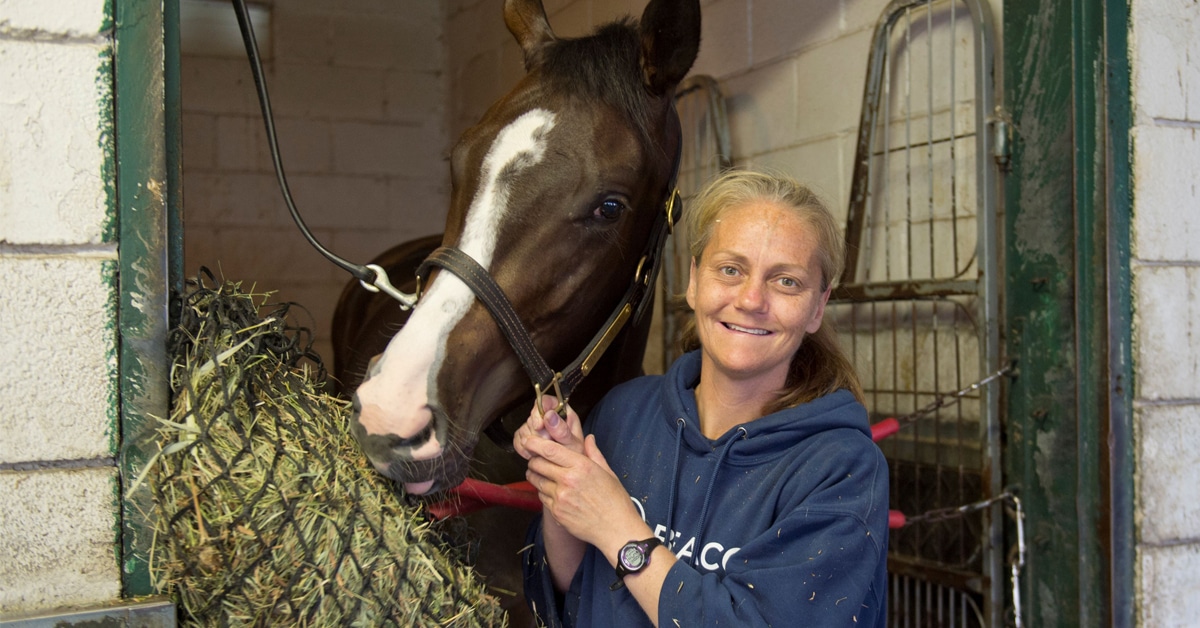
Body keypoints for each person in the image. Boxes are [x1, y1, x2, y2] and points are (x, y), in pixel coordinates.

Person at [513, 169, 889, 627]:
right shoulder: (624, 413)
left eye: (786, 281)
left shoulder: (840, 468)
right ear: (694, 281)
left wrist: (617, 526)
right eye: (730, 269)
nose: (751, 299)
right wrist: (564, 480)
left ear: (818, 307)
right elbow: (577, 591)